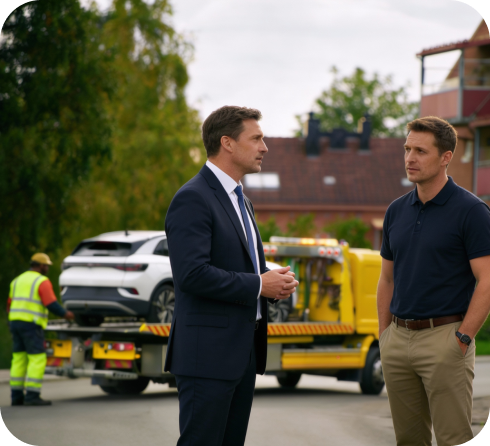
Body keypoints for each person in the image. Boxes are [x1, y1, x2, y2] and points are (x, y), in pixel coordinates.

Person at [164, 106, 298, 446]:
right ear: (227, 143)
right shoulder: (193, 197)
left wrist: (272, 280)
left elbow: (241, 267)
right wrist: (260, 284)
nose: (264, 147)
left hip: (242, 353)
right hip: (207, 356)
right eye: (256, 139)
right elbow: (192, 274)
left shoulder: (242, 201)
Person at [377, 116, 490, 446]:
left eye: (421, 151)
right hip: (397, 339)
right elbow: (387, 279)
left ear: (445, 157)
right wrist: (385, 335)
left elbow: (487, 280)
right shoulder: (396, 211)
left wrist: (463, 338)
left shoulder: (472, 211)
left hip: (445, 339)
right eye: (407, 149)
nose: (410, 158)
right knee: (408, 440)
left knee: (453, 438)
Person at [8, 253, 74, 406]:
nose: (47, 269)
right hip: (31, 325)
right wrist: (67, 314)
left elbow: (9, 303)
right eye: (47, 266)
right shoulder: (41, 281)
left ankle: (16, 396)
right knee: (37, 358)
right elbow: (50, 303)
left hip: (15, 323)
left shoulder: (17, 280)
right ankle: (32, 395)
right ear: (42, 266)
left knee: (19, 358)